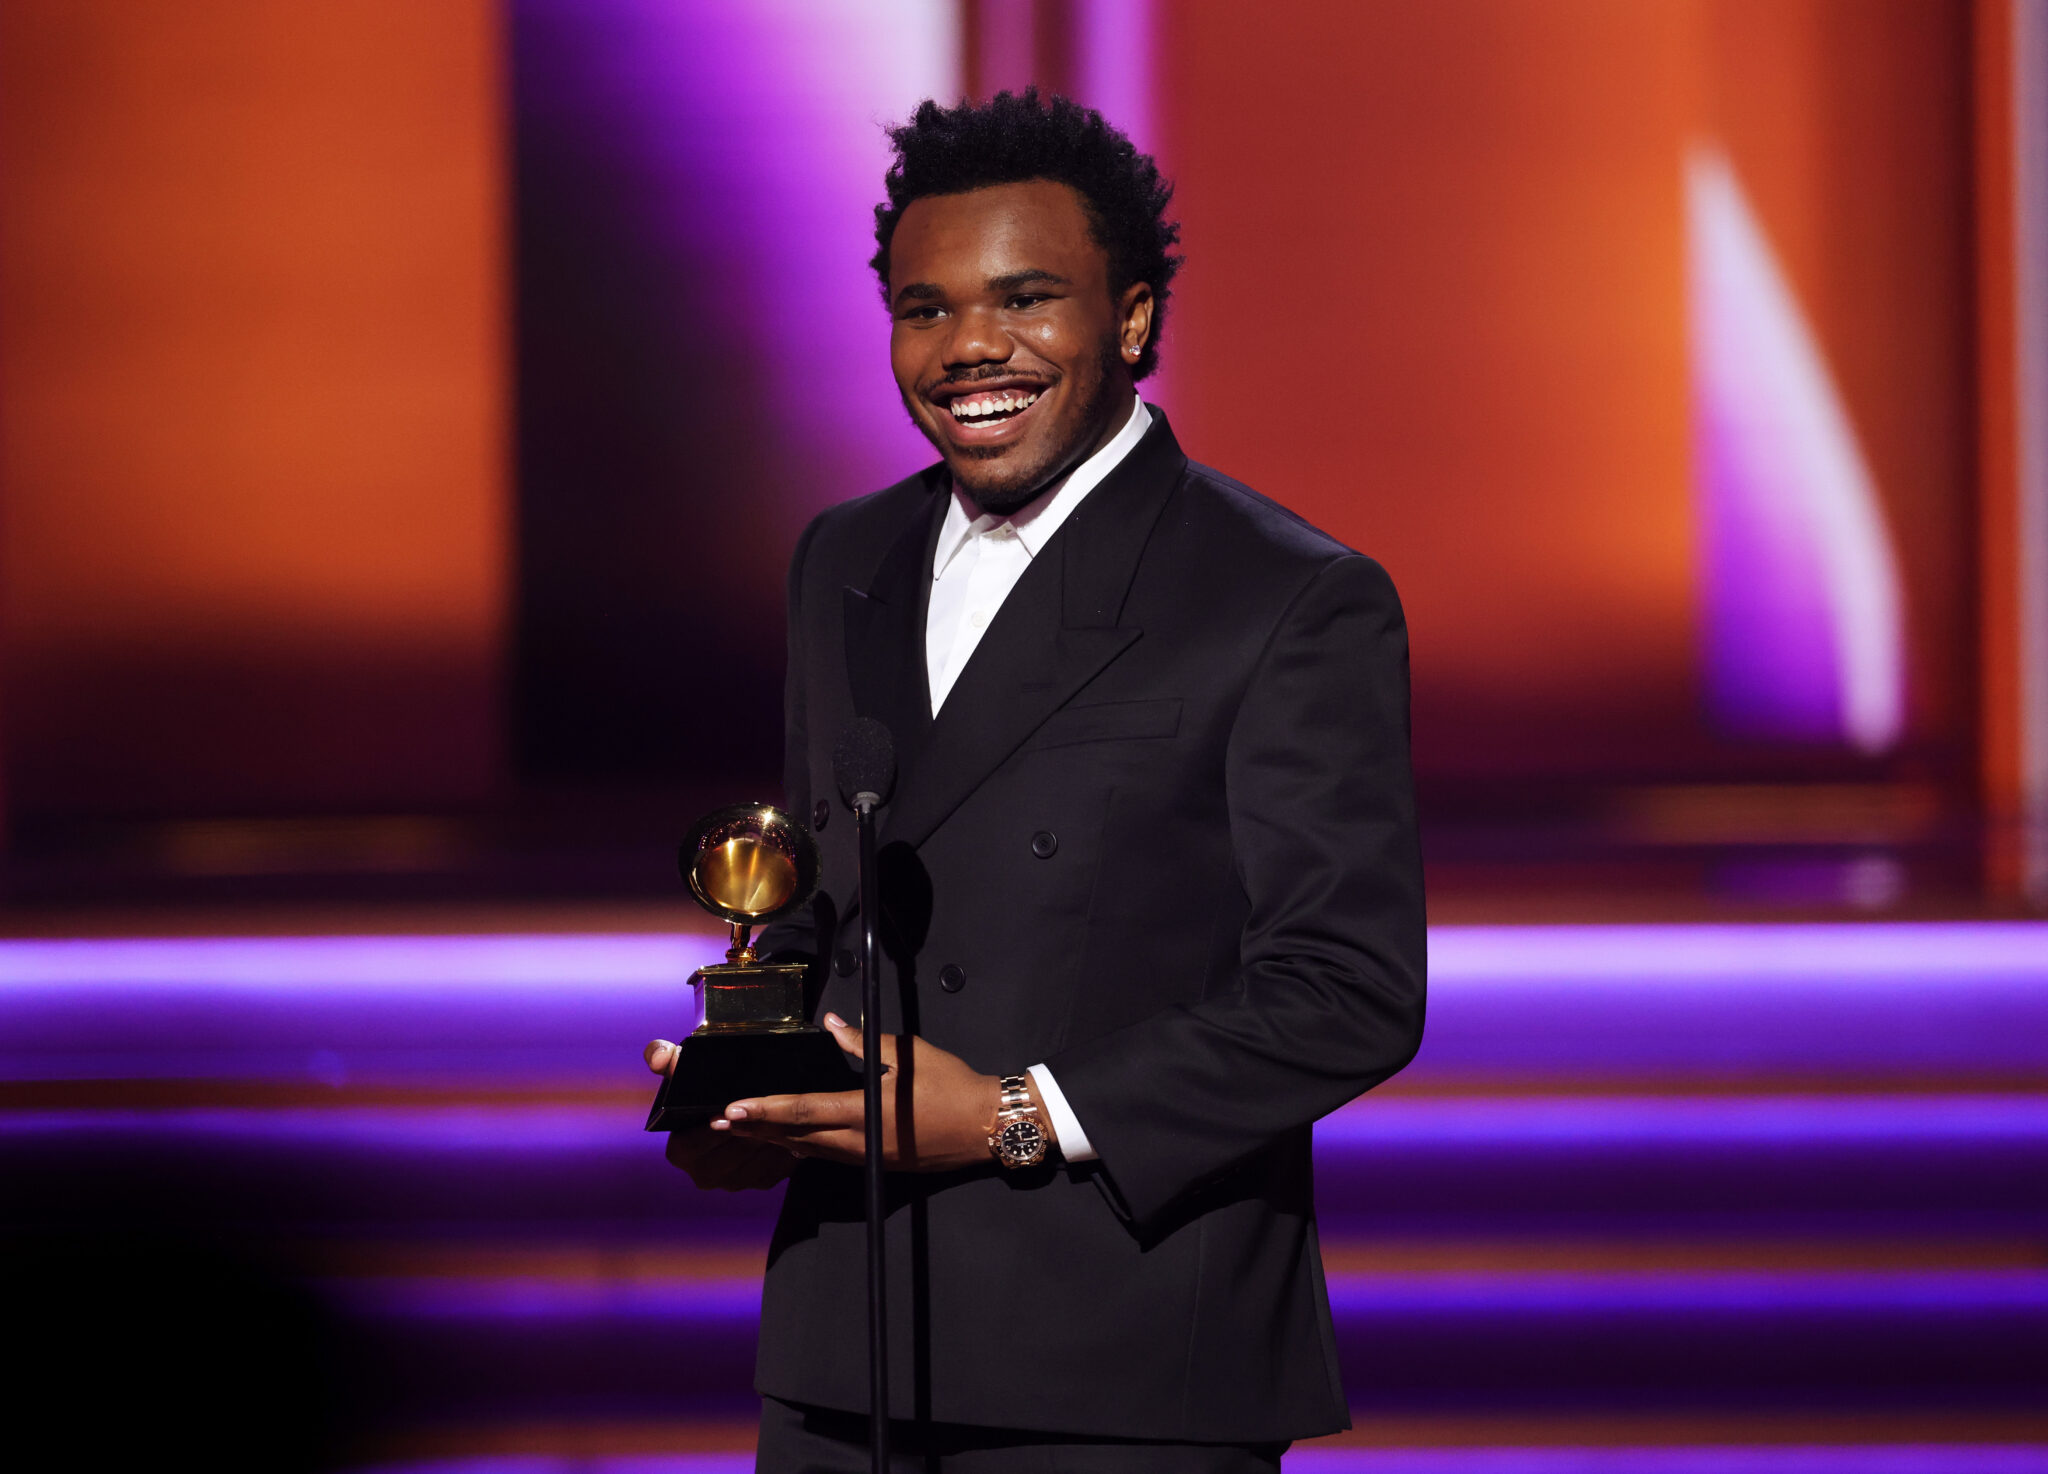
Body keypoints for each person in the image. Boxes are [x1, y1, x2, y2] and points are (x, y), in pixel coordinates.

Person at [644, 88, 1426, 1472]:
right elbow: (826, 907)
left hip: (1119, 1360)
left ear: (1131, 318)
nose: (969, 348)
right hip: (845, 1343)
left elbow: (1347, 989)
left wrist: (1015, 1114)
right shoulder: (845, 559)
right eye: (925, 308)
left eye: (1024, 299)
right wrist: (755, 1091)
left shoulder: (1284, 595)